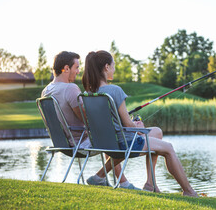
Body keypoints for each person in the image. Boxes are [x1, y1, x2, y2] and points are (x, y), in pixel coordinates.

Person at [82, 50, 198, 197]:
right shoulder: (115, 90)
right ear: (106, 67)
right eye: (113, 65)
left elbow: (111, 122)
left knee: (156, 132)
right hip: (125, 143)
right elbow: (128, 125)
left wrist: (131, 126)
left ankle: (151, 184)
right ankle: (189, 191)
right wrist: (137, 127)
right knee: (168, 148)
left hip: (105, 143)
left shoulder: (89, 94)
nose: (114, 68)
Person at [41, 51, 138, 189]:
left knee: (105, 136)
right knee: (116, 137)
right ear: (66, 68)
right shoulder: (70, 88)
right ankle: (117, 181)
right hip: (81, 143)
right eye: (76, 67)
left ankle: (115, 180)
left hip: (63, 143)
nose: (79, 71)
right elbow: (90, 120)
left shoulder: (46, 91)